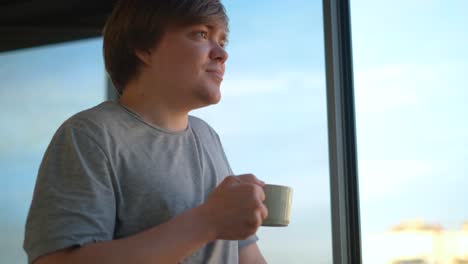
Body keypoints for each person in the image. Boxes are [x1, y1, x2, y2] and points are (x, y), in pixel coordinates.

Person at [23, 0, 268, 263]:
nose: (222, 53)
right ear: (143, 47)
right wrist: (207, 221)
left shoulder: (207, 136)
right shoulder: (90, 135)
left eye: (223, 41)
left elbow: (247, 255)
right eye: (202, 34)